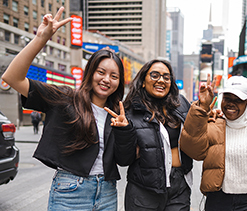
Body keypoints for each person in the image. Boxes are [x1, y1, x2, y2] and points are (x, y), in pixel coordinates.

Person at [1, 7, 125, 210]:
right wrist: (41, 39)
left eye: (114, 76)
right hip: (71, 191)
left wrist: (125, 129)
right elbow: (12, 78)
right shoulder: (66, 97)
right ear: (90, 73)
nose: (106, 80)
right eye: (101, 72)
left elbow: (124, 156)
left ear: (119, 82)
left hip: (107, 192)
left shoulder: (118, 113)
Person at [179, 75, 247, 211]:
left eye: (238, 100)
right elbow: (191, 149)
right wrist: (202, 108)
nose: (231, 103)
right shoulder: (213, 124)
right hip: (218, 201)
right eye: (227, 98)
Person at [105, 59, 193, 210]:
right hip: (144, 190)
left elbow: (196, 131)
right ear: (143, 81)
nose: (161, 80)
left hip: (178, 186)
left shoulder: (181, 104)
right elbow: (124, 160)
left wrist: (207, 114)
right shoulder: (130, 110)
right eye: (155, 75)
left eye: (166, 77)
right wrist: (124, 130)